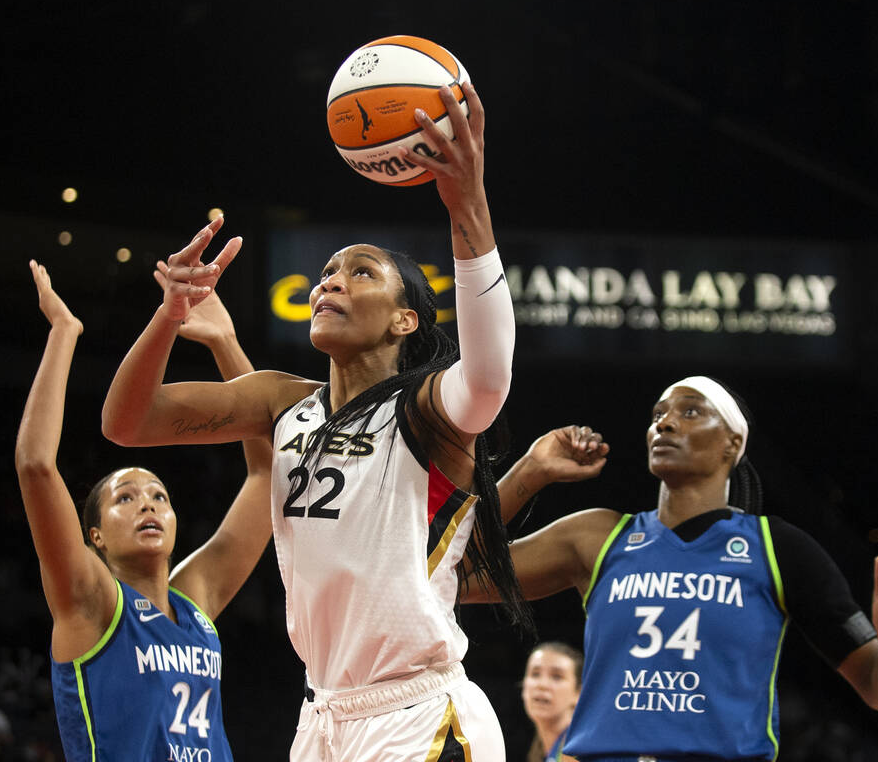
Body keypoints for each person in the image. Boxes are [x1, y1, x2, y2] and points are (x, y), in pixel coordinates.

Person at [101, 82, 558, 762]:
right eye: (326, 273)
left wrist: (467, 203)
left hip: (419, 713)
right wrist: (168, 317)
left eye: (361, 272)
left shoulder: (426, 410)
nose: (330, 283)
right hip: (324, 717)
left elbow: (489, 377)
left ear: (405, 320)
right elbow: (127, 423)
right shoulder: (280, 399)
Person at [464, 376, 878, 762]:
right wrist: (531, 471)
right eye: (657, 416)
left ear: (732, 443)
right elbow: (454, 572)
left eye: (690, 411)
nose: (665, 423)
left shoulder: (778, 549)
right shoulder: (597, 537)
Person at [15, 260, 272, 762]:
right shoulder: (92, 603)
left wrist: (224, 342)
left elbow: (267, 474)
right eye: (125, 498)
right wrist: (65, 333)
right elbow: (35, 464)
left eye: (159, 496)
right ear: (96, 537)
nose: (147, 504)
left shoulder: (195, 603)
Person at [521, 642, 583, 762]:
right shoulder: (539, 753)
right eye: (535, 674)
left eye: (557, 676)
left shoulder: (580, 751)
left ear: (579, 693)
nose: (542, 684)